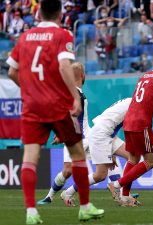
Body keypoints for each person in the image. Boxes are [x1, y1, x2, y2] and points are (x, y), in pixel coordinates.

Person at [6, 0, 104, 224]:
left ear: (38, 13)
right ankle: (85, 207)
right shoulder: (62, 35)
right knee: (78, 153)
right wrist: (72, 96)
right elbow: (63, 66)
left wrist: (30, 89)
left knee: (30, 158)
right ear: (60, 14)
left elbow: (12, 71)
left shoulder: (24, 37)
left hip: (32, 106)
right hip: (57, 104)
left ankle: (31, 212)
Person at [108, 50, 153, 207]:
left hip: (129, 120)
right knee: (151, 161)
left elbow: (144, 101)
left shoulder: (144, 76)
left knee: (133, 158)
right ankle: (116, 185)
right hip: (141, 124)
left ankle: (125, 197)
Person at [60, 98, 140, 204]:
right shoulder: (136, 104)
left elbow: (111, 120)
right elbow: (127, 128)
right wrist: (110, 150)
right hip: (101, 134)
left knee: (132, 157)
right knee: (100, 175)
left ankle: (123, 193)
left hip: (105, 132)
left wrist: (111, 151)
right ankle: (68, 192)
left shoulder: (131, 100)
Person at [36, 62, 92, 206]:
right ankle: (50, 196)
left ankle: (123, 191)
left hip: (87, 137)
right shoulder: (74, 93)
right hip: (76, 138)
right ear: (82, 75)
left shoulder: (75, 91)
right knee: (68, 171)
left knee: (105, 164)